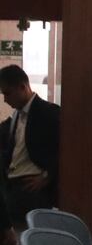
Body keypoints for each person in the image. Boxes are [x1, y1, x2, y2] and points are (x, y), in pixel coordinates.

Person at [0, 65, 60, 233]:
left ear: (22, 87)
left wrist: (48, 176)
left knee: (32, 238)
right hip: (12, 188)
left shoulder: (49, 113)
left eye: (7, 93)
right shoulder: (16, 116)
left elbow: (66, 148)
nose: (5, 99)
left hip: (33, 191)